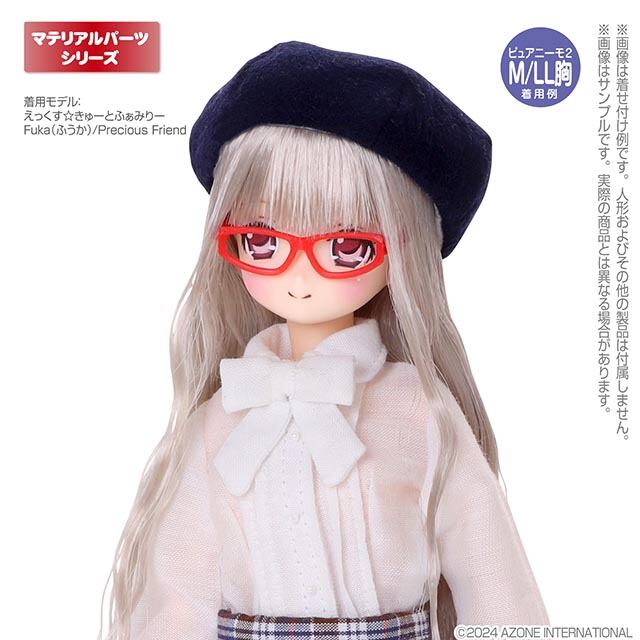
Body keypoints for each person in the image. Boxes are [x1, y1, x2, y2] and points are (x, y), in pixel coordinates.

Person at [99, 41, 549, 640]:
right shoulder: (218, 422)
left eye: (347, 247)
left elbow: (492, 577)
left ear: (405, 251)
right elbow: (179, 594)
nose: (299, 274)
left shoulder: (418, 412)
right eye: (263, 242)